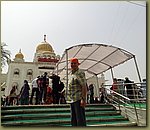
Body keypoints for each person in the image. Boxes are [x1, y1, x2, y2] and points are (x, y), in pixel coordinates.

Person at [65, 58, 87, 126]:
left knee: (80, 119)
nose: (73, 65)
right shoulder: (72, 74)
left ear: (78, 64)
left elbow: (84, 86)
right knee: (74, 119)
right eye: (72, 63)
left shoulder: (79, 73)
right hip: (72, 99)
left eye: (75, 63)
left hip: (78, 99)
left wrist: (83, 99)